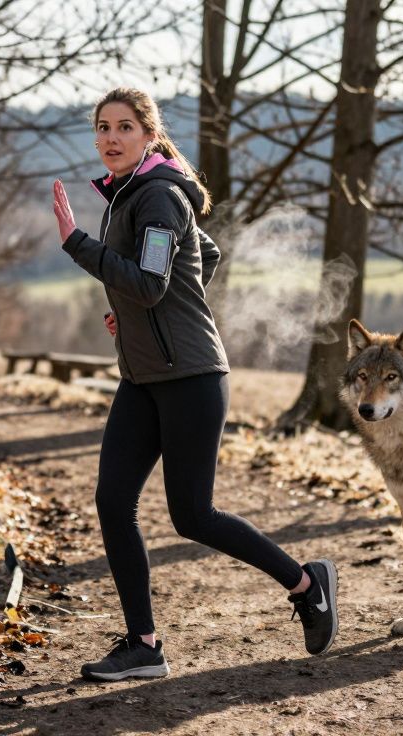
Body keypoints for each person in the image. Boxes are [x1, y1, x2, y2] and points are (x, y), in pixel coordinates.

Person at [50, 87, 339, 682]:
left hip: (190, 379)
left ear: (150, 136)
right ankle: (144, 645)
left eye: (124, 127)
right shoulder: (133, 192)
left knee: (194, 516)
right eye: (102, 127)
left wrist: (78, 245)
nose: (110, 138)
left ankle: (307, 584)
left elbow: (153, 283)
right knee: (113, 501)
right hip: (144, 377)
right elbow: (200, 256)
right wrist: (134, 313)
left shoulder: (156, 194)